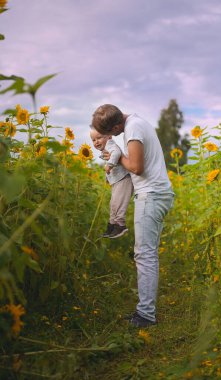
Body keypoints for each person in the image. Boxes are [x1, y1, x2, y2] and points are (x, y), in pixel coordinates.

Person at [91, 104, 175, 327]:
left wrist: (117, 158)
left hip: (151, 195)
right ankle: (145, 311)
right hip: (155, 193)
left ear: (117, 124)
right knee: (147, 253)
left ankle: (146, 315)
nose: (112, 136)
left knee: (144, 255)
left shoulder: (133, 128)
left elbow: (137, 167)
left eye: (111, 132)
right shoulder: (135, 123)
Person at [90, 128, 133, 238]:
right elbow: (111, 166)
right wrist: (108, 177)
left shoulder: (110, 144)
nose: (96, 142)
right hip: (118, 180)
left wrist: (109, 165)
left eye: (99, 138)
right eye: (93, 140)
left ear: (109, 136)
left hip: (124, 179)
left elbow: (117, 153)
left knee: (118, 204)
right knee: (113, 204)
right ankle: (112, 226)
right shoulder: (105, 148)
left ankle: (120, 225)